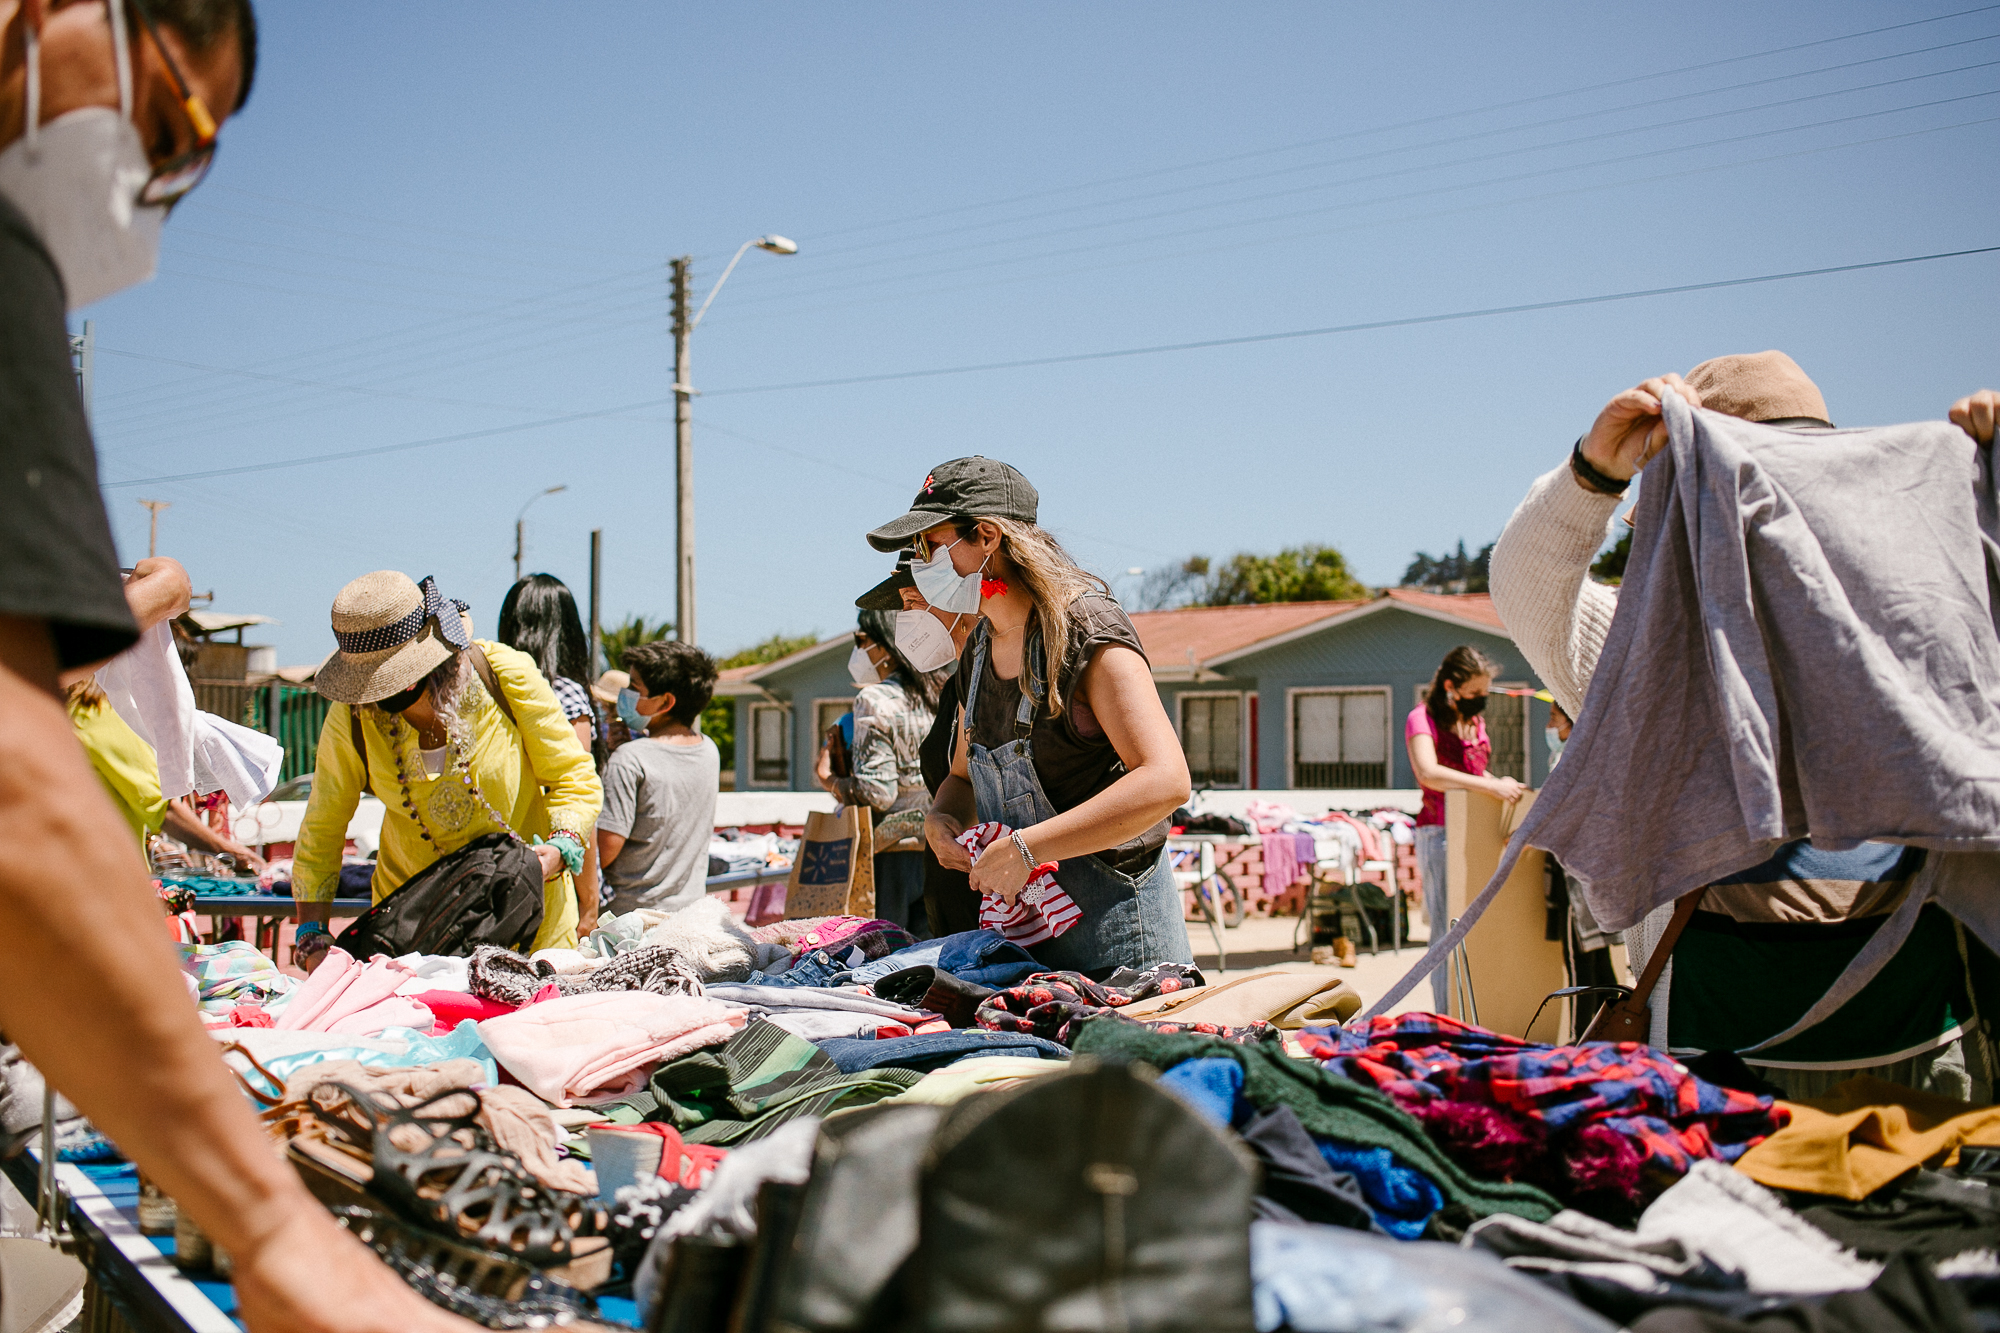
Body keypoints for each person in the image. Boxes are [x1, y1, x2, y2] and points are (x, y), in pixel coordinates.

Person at [0, 0, 478, 1326]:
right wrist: (274, 1234)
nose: (153, 182)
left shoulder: (497, 708)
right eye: (166, 124)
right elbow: (16, 797)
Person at [1490, 354, 2000, 1099]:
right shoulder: (1645, 653)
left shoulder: (1917, 620)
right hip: (1714, 1078)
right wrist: (1594, 470)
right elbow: (1528, 591)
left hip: (1926, 1057)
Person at [878, 457, 1194, 973]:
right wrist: (942, 819)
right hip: (1027, 945)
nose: (920, 563)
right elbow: (961, 774)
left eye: (930, 546)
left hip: (1117, 947)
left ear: (986, 537)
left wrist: (1027, 848)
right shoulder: (979, 647)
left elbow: (1165, 780)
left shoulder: (1086, 629)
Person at [292, 571, 603, 967]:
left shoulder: (504, 675)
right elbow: (323, 824)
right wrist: (311, 935)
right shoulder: (353, 715)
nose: (382, 695)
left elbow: (573, 777)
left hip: (532, 925)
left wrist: (560, 849)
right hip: (415, 935)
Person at [857, 552, 983, 937]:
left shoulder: (989, 675)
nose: (906, 618)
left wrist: (828, 776)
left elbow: (877, 791)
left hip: (986, 896)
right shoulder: (953, 686)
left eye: (912, 602)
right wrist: (936, 819)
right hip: (947, 882)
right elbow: (961, 777)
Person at [1405, 645, 1526, 1009]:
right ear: (1450, 686)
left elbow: (1472, 776)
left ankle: (1476, 1011)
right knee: (1446, 932)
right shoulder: (1420, 719)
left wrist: (1497, 783)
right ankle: (1447, 1016)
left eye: (1484, 694)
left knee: (1478, 931)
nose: (1480, 701)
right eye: (1474, 694)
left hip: (1478, 832)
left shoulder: (1475, 723)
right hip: (1440, 833)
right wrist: (1491, 786)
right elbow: (1430, 773)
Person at [816, 609, 947, 934]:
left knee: (882, 956)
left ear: (886, 647)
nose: (860, 650)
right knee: (926, 960)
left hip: (890, 854)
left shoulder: (874, 700)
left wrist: (829, 779)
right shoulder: (944, 691)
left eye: (862, 641)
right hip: (942, 846)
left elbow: (878, 792)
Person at [498, 573, 604, 929]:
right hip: (553, 871)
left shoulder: (489, 692)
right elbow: (576, 797)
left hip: (496, 864)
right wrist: (590, 905)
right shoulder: (567, 695)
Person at [596, 639, 720, 917]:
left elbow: (604, 851)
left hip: (629, 920)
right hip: (687, 915)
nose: (625, 694)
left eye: (634, 687)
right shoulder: (709, 750)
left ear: (665, 701)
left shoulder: (630, 759)